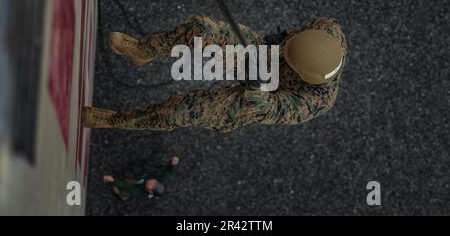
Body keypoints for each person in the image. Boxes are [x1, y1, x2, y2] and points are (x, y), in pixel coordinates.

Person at [83, 15, 347, 132]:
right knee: (201, 31)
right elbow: (299, 33)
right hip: (267, 53)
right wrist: (282, 40)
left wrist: (257, 85)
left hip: (258, 97)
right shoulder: (327, 29)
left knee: (179, 112)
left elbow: (268, 110)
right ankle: (143, 50)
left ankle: (116, 120)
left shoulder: (314, 102)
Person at [103, 156, 180, 201]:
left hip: (130, 190)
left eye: (152, 186)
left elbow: (126, 186)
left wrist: (112, 181)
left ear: (150, 191)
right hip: (141, 181)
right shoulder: (160, 180)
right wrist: (172, 164)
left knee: (124, 190)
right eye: (155, 182)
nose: (152, 182)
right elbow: (168, 173)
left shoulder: (140, 193)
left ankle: (116, 191)